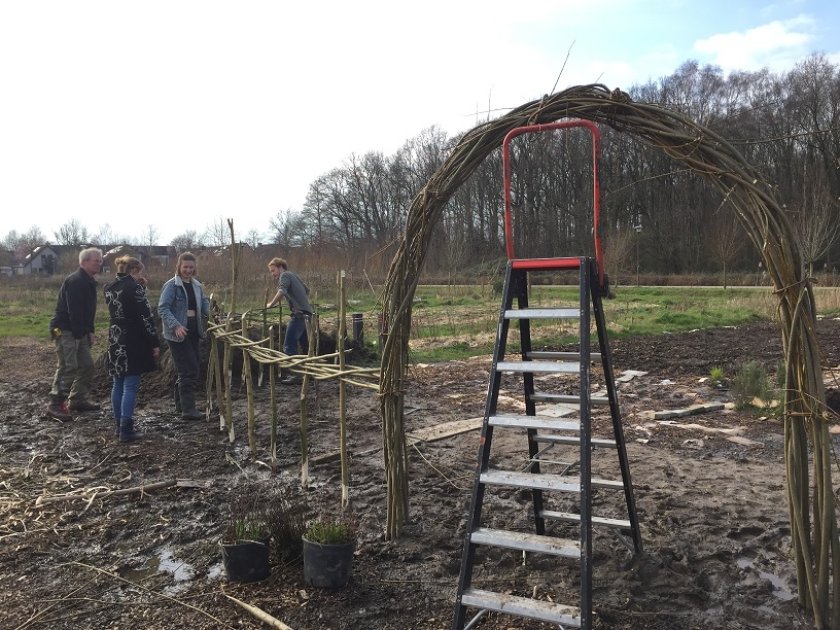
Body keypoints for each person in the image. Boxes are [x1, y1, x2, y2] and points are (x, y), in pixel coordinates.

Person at [103, 256, 160, 442]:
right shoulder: (134, 288)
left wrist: (140, 287)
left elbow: (123, 308)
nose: (142, 275)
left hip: (115, 338)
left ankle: (118, 425)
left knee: (117, 383)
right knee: (130, 384)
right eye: (140, 272)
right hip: (133, 339)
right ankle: (126, 429)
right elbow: (144, 317)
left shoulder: (109, 288)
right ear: (133, 270)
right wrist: (154, 343)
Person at [46, 247, 104, 421]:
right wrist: (81, 334)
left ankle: (77, 399)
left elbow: (88, 311)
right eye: (97, 260)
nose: (100, 263)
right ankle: (55, 404)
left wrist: (90, 331)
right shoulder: (76, 281)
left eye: (101, 260)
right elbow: (75, 312)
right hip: (64, 329)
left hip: (79, 330)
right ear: (84, 261)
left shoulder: (89, 281)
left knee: (86, 365)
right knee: (68, 366)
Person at [158, 252, 210, 420]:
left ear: (195, 269)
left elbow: (203, 303)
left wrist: (212, 314)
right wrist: (176, 325)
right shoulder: (172, 285)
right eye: (185, 267)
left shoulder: (196, 285)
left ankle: (180, 405)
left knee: (189, 369)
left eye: (191, 267)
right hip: (177, 333)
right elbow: (163, 308)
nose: (188, 270)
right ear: (179, 267)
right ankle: (188, 409)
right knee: (189, 369)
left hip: (194, 330)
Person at [266, 257, 313, 381]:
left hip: (299, 315)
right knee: (306, 346)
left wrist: (271, 304)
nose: (272, 274)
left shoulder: (285, 275)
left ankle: (297, 375)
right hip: (308, 314)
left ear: (280, 267)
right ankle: (310, 373)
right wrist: (298, 300)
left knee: (288, 346)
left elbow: (282, 290)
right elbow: (307, 290)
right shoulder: (294, 275)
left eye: (273, 270)